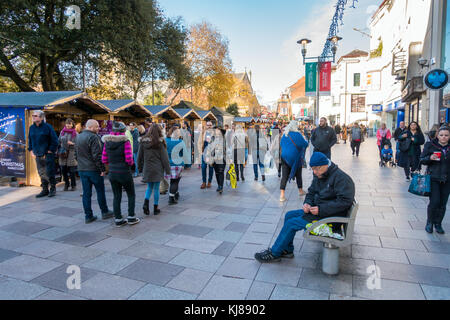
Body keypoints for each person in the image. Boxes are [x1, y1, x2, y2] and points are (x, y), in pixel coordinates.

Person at [254, 152, 355, 263]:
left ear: (325, 164)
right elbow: (311, 192)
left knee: (292, 223)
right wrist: (307, 203)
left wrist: (321, 209)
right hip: (320, 213)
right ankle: (287, 250)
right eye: (313, 169)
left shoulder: (342, 179)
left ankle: (274, 253)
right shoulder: (321, 174)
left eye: (317, 169)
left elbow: (344, 202)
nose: (315, 172)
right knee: (289, 215)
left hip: (331, 219)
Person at [101, 122, 139, 227]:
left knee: (116, 196)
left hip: (112, 173)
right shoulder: (125, 141)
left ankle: (118, 219)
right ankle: (131, 217)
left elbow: (104, 159)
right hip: (124, 172)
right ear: (123, 131)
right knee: (131, 194)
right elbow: (129, 160)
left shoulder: (107, 142)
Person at [75, 119, 113, 223]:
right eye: (97, 127)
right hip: (93, 170)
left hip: (82, 169)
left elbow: (76, 154)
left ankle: (88, 216)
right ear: (91, 127)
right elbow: (97, 155)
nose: (98, 128)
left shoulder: (78, 136)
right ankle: (104, 211)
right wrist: (102, 169)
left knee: (86, 193)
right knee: (100, 191)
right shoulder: (94, 137)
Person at [420, 126, 450, 234]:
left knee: (443, 203)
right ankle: (430, 223)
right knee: (434, 202)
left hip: (447, 179)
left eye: (446, 135)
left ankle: (438, 224)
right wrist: (430, 158)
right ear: (437, 135)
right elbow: (422, 160)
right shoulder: (430, 145)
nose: (444, 137)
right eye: (441, 135)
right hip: (434, 178)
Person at [138, 123, 171, 216]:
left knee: (149, 187)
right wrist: (168, 170)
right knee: (156, 188)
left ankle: (145, 203)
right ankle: (155, 208)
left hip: (147, 168)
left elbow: (139, 157)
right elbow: (165, 158)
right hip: (157, 169)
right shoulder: (160, 143)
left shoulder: (143, 142)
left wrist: (140, 168)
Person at [28, 110, 59, 198]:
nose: (33, 117)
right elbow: (30, 140)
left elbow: (55, 140)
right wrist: (31, 151)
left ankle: (53, 189)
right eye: (33, 115)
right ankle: (45, 190)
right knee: (41, 173)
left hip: (47, 154)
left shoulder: (47, 127)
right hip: (37, 154)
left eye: (35, 116)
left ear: (41, 117)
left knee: (49, 172)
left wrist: (50, 150)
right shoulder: (31, 128)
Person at [279, 121, 309, 202]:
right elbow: (305, 144)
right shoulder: (298, 134)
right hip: (295, 158)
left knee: (284, 176)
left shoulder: (285, 135)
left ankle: (282, 195)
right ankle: (300, 191)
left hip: (284, 157)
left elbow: (281, 145)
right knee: (298, 174)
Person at [166, 126, 188, 204]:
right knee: (175, 181)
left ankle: (175, 193)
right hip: (177, 164)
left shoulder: (165, 140)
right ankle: (171, 197)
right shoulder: (180, 141)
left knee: (172, 181)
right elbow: (184, 154)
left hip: (168, 163)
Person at [58, 118, 78, 191]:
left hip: (71, 153)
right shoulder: (62, 132)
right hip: (63, 153)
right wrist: (62, 144)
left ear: (72, 125)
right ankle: (66, 184)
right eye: (67, 123)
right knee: (63, 170)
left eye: (70, 124)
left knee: (72, 171)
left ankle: (73, 185)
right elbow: (59, 141)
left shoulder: (76, 133)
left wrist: (72, 143)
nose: (68, 125)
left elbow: (78, 145)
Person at [207, 127, 227, 194]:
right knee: (217, 173)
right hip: (214, 158)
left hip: (222, 158)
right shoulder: (212, 138)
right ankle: (219, 185)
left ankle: (221, 186)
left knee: (221, 172)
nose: (216, 131)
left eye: (218, 130)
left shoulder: (224, 138)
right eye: (215, 130)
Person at [200, 121, 215, 189]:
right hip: (204, 153)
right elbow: (199, 142)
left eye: (210, 125)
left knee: (211, 168)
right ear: (206, 126)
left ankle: (209, 181)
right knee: (203, 167)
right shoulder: (203, 133)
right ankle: (204, 182)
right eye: (208, 125)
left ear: (212, 126)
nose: (209, 126)